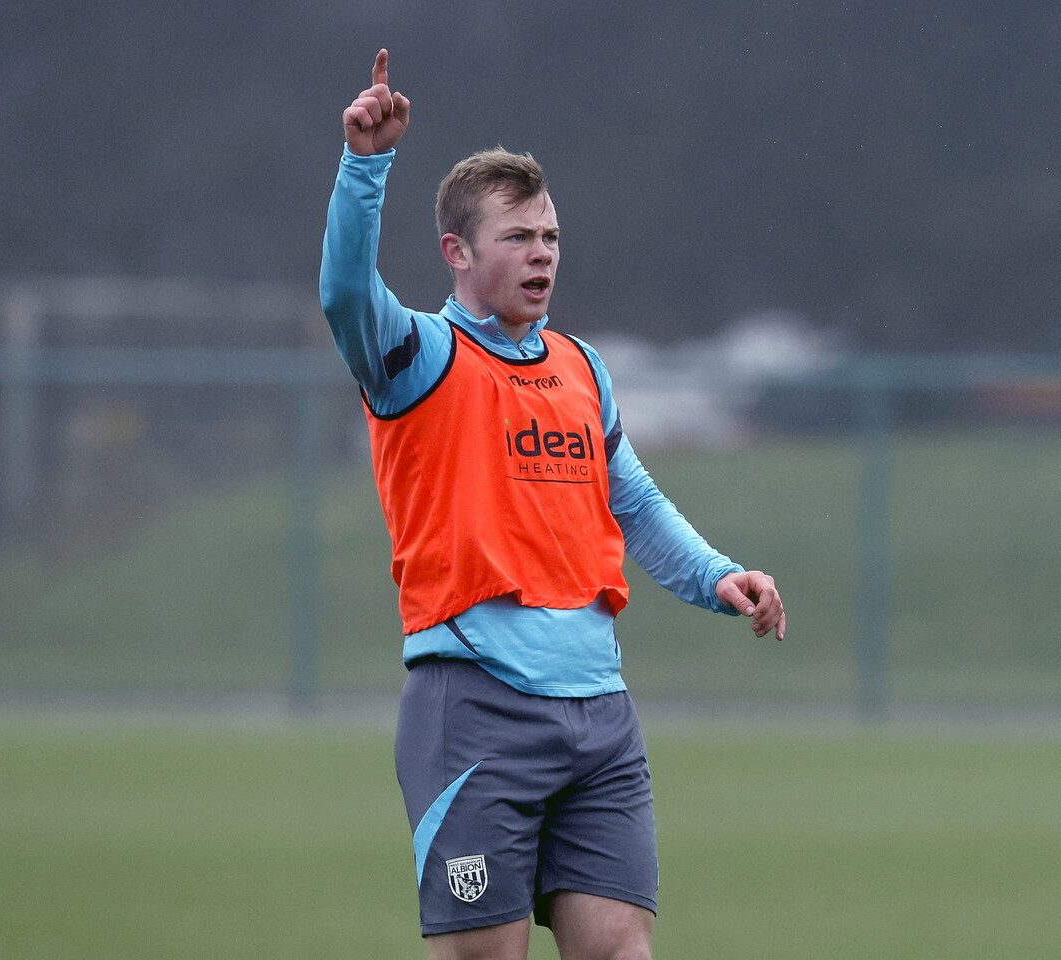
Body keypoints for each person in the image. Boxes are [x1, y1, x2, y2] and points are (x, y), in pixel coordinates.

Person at [320, 48, 786, 960]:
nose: (542, 255)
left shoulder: (583, 369)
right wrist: (364, 165)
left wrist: (717, 577)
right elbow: (342, 292)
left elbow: (634, 502)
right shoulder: (414, 358)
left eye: (552, 238)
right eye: (518, 238)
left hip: (600, 715)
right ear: (456, 253)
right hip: (475, 708)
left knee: (623, 952)